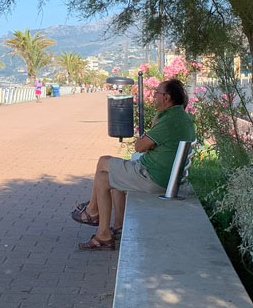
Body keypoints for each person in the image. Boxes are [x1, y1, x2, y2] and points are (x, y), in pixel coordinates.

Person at [71, 78, 196, 250]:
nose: (154, 97)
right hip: (164, 176)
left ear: (166, 98)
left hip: (153, 178)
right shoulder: (180, 116)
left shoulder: (169, 121)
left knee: (102, 174)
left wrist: (149, 135)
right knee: (113, 177)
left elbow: (139, 146)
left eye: (157, 93)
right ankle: (114, 225)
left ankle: (95, 218)